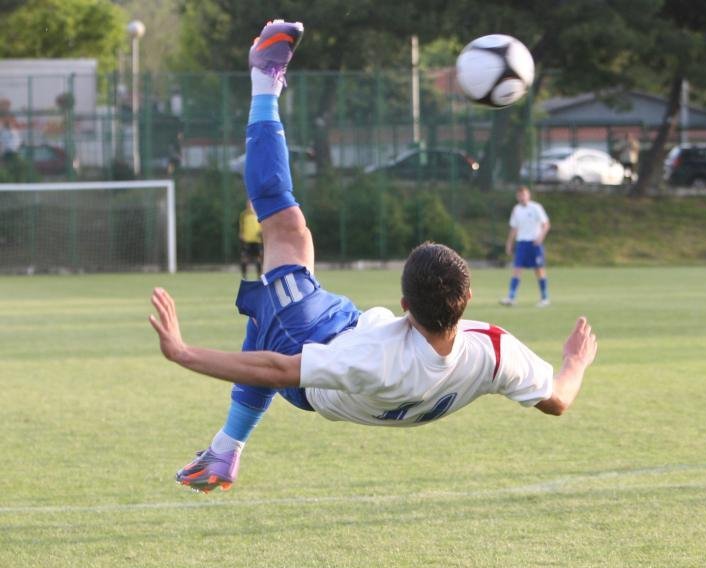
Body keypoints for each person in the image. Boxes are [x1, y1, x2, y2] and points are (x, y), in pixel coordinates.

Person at [149, 19, 598, 494]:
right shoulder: (494, 352)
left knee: (285, 232)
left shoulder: (375, 357)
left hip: (319, 370)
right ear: (465, 301)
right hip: (352, 336)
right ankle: (224, 449)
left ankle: (264, 78)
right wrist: (575, 362)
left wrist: (183, 353)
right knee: (272, 300)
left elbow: (278, 370)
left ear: (404, 306)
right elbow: (559, 400)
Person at [500, 186, 551, 307]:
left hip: (534, 244)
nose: (522, 197)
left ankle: (544, 298)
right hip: (522, 243)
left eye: (524, 194)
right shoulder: (516, 210)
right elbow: (514, 228)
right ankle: (511, 297)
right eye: (519, 195)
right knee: (517, 269)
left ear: (528, 195)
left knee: (539, 270)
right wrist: (509, 243)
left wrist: (540, 237)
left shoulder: (536, 207)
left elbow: (546, 224)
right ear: (517, 197)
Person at [238, 200, 263, 278]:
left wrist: (261, 233)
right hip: (247, 241)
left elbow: (262, 227)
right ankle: (244, 276)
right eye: (248, 203)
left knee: (258, 260)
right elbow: (241, 228)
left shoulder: (259, 214)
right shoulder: (243, 215)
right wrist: (241, 235)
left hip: (257, 241)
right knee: (244, 260)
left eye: (251, 203)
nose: (250, 205)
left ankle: (259, 277)